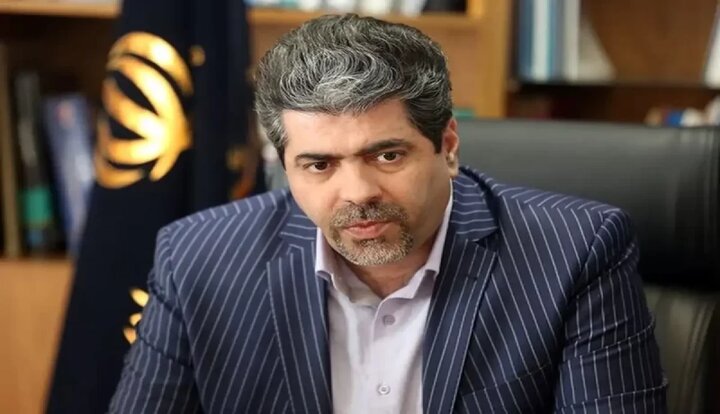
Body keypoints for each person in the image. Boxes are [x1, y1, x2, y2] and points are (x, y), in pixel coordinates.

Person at [109, 14, 666, 413]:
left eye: (387, 155)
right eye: (319, 164)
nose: (357, 192)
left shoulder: (575, 252)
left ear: (448, 146)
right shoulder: (198, 259)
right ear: (284, 165)